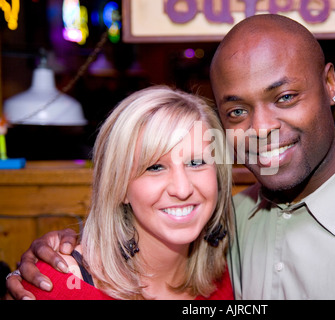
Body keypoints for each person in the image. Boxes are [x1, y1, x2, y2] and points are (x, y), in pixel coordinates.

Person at [7, 14, 335, 300]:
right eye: (237, 110)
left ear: (330, 85)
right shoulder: (228, 220)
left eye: (286, 96)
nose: (260, 128)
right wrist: (65, 247)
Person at [8, 85, 234, 300]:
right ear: (119, 187)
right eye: (155, 167)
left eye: (196, 163)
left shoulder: (224, 274)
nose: (182, 189)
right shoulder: (58, 285)